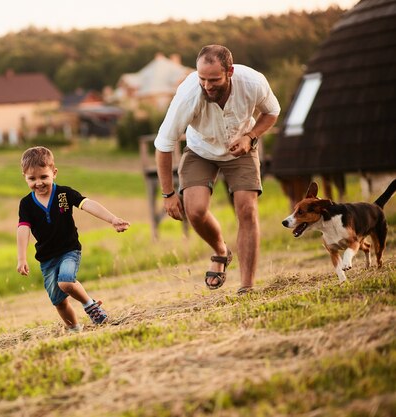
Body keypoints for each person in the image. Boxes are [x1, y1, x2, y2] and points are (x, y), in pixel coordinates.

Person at [154, 44, 280, 294]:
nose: (207, 85)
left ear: (230, 71)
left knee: (247, 209)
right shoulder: (188, 95)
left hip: (242, 147)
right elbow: (164, 145)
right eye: (202, 79)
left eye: (214, 79)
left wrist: (251, 137)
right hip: (201, 150)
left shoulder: (253, 83)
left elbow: (272, 112)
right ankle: (221, 251)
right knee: (195, 210)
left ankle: (247, 287)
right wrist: (168, 194)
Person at [16, 146, 130, 332]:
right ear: (25, 177)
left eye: (44, 177)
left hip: (69, 251)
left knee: (66, 282)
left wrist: (112, 219)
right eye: (32, 178)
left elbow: (87, 204)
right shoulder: (26, 204)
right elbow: (23, 230)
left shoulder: (63, 194)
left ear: (54, 173)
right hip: (46, 259)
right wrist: (21, 258)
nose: (39, 183)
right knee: (59, 302)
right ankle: (75, 330)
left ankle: (90, 306)